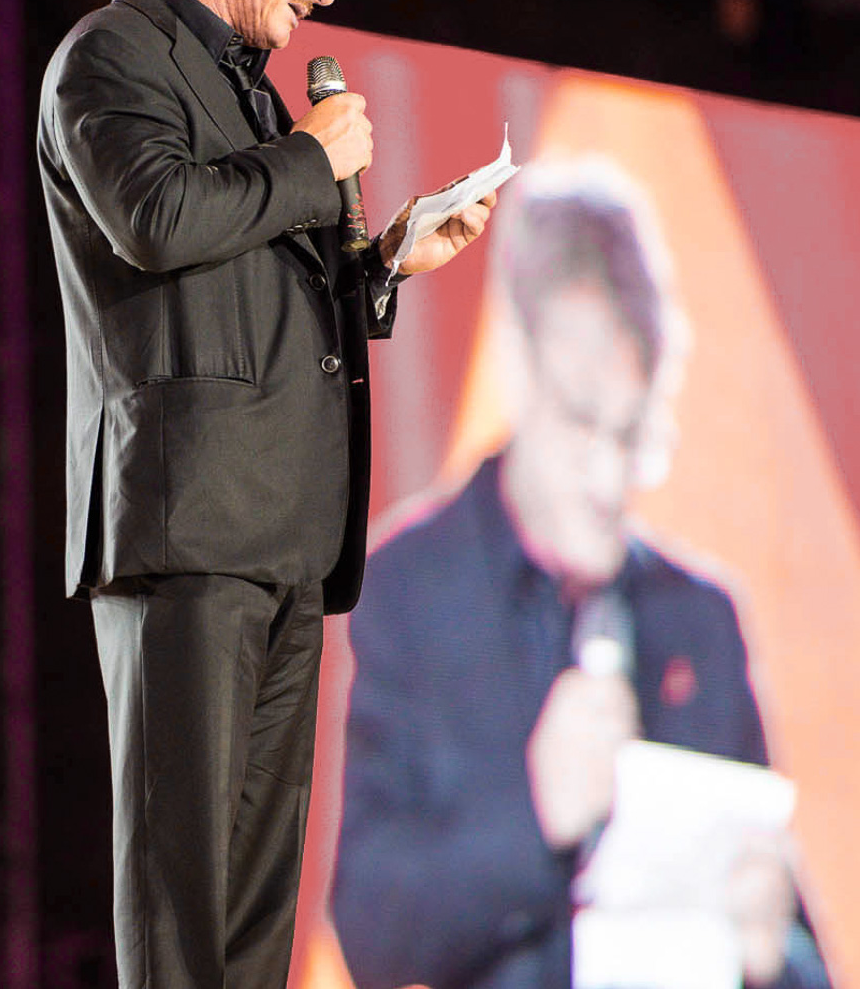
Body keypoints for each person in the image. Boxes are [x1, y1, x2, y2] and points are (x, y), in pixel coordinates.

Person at [36, 0, 496, 989]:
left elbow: (248, 283)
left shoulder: (250, 94)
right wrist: (309, 161)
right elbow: (155, 220)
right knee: (180, 891)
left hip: (280, 533)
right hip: (186, 523)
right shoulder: (111, 55)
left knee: (252, 910)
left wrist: (383, 263)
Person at [332, 158, 831, 989]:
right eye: (579, 422)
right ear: (519, 370)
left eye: (631, 432)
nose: (609, 480)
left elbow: (803, 952)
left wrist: (768, 954)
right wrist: (536, 816)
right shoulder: (410, 588)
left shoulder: (702, 616)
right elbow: (370, 935)